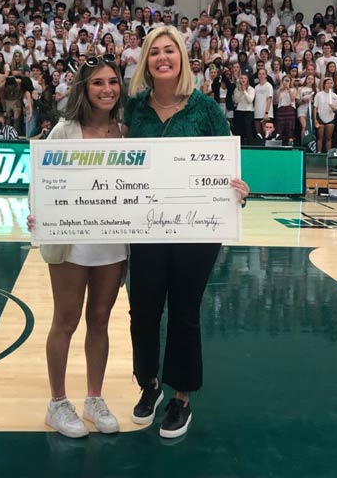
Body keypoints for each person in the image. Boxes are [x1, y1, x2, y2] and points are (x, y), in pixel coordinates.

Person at [123, 26, 249, 438]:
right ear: (146, 61)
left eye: (170, 51)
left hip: (196, 232)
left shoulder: (206, 108)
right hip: (146, 227)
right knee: (142, 310)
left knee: (184, 311)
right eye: (155, 52)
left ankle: (181, 398)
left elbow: (225, 167)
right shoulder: (134, 109)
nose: (163, 58)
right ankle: (149, 384)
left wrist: (237, 190)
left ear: (182, 58)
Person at [28, 54, 126, 439]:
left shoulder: (128, 131)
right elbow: (42, 179)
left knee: (100, 321)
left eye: (113, 82)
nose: (107, 89)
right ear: (84, 89)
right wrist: (39, 213)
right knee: (66, 320)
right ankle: (57, 403)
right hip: (72, 240)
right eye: (98, 83)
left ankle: (94, 398)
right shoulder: (64, 131)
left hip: (114, 243)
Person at [313, 77, 337, 153]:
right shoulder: (319, 95)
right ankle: (319, 152)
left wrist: (332, 107)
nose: (329, 85)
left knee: (328, 138)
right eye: (328, 83)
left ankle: (328, 153)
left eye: (331, 83)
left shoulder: (334, 96)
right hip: (320, 118)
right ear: (324, 85)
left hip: (330, 118)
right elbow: (315, 107)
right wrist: (315, 119)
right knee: (320, 137)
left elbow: (336, 109)